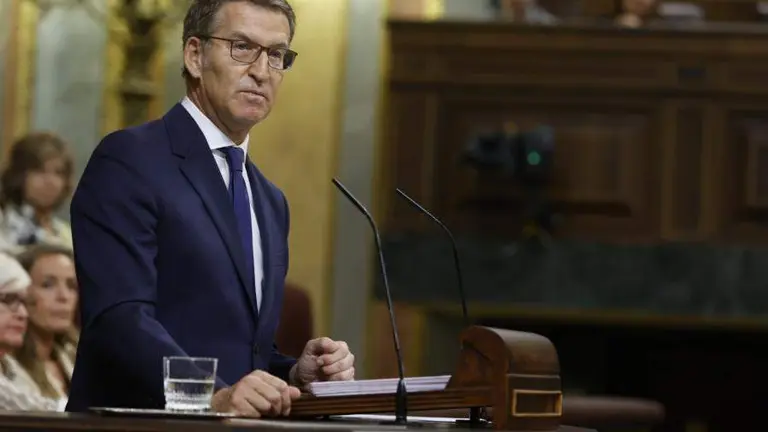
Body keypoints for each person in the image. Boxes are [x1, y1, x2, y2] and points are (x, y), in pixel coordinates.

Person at [66, 0, 354, 416]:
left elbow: (241, 351)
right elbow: (118, 319)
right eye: (242, 47)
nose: (261, 70)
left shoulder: (270, 200)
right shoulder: (130, 160)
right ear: (195, 56)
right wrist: (210, 398)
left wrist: (293, 375)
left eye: (276, 54)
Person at [13, 244, 79, 406]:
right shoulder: (7, 367)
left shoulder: (75, 357)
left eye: (71, 286)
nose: (63, 297)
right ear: (21, 294)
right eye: (48, 285)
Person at [0, 252, 59, 411]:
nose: (23, 314)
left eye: (23, 302)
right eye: (8, 300)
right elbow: (36, 409)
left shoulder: (9, 365)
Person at [0, 132, 74, 253]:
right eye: (40, 171)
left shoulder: (66, 234)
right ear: (18, 175)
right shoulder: (3, 224)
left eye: (59, 172)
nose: (51, 181)